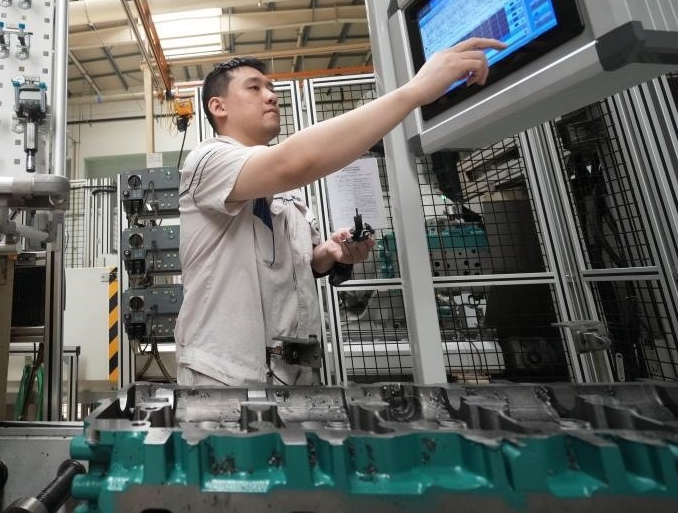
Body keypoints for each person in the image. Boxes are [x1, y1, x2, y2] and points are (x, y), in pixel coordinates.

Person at [176, 37, 505, 386]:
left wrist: (329, 252)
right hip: (224, 376)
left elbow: (300, 265)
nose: (271, 96)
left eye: (271, 88)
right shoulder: (207, 161)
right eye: (254, 88)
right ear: (219, 107)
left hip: (292, 372)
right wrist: (415, 92)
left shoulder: (284, 187)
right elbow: (295, 161)